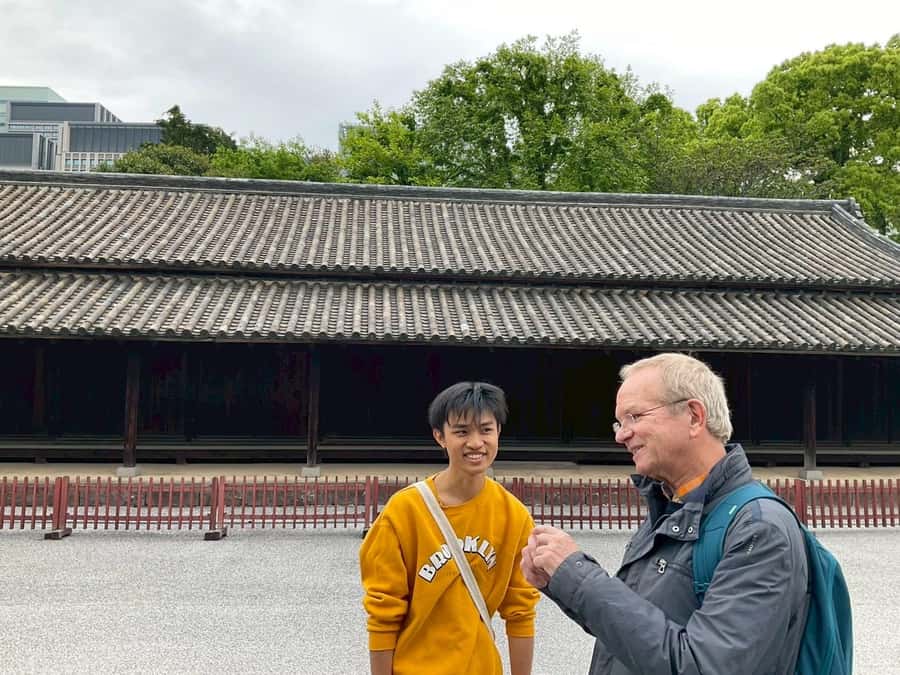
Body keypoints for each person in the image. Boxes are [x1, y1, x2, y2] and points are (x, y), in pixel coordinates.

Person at [521, 353, 810, 674]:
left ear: (694, 416)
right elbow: (635, 631)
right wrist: (561, 580)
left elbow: (702, 666)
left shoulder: (758, 528)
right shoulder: (669, 509)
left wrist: (580, 576)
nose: (621, 435)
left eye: (635, 416)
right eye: (619, 422)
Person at [360, 381, 540, 675]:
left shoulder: (513, 515)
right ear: (439, 437)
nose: (475, 442)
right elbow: (383, 612)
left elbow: (520, 611)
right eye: (461, 432)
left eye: (485, 429)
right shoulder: (404, 512)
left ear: (498, 433)